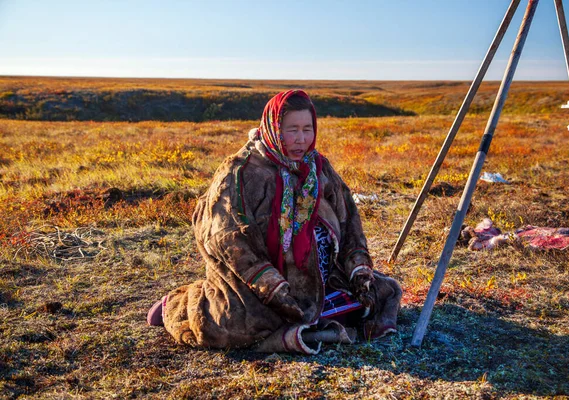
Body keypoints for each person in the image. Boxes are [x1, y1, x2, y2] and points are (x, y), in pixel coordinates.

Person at [147, 90, 402, 354]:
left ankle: (314, 302)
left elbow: (349, 219)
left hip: (318, 276)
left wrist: (357, 266)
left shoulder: (318, 166)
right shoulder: (240, 172)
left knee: (376, 296)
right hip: (260, 281)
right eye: (291, 130)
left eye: (307, 129)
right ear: (273, 127)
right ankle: (179, 302)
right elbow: (224, 235)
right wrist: (269, 284)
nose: (301, 140)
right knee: (235, 325)